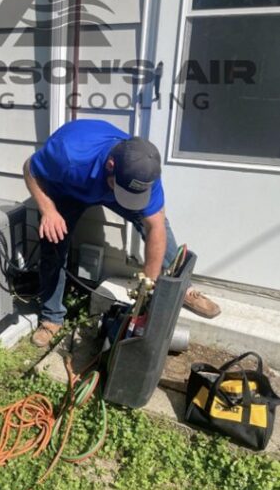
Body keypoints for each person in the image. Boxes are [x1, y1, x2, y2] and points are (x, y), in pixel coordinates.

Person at [23, 119, 220, 347]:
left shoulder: (145, 170)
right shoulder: (69, 155)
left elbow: (154, 227)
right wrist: (48, 210)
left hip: (107, 186)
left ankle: (182, 287)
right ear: (110, 165)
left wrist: (149, 285)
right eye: (124, 189)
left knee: (160, 225)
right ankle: (52, 317)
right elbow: (30, 169)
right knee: (53, 244)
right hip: (68, 189)